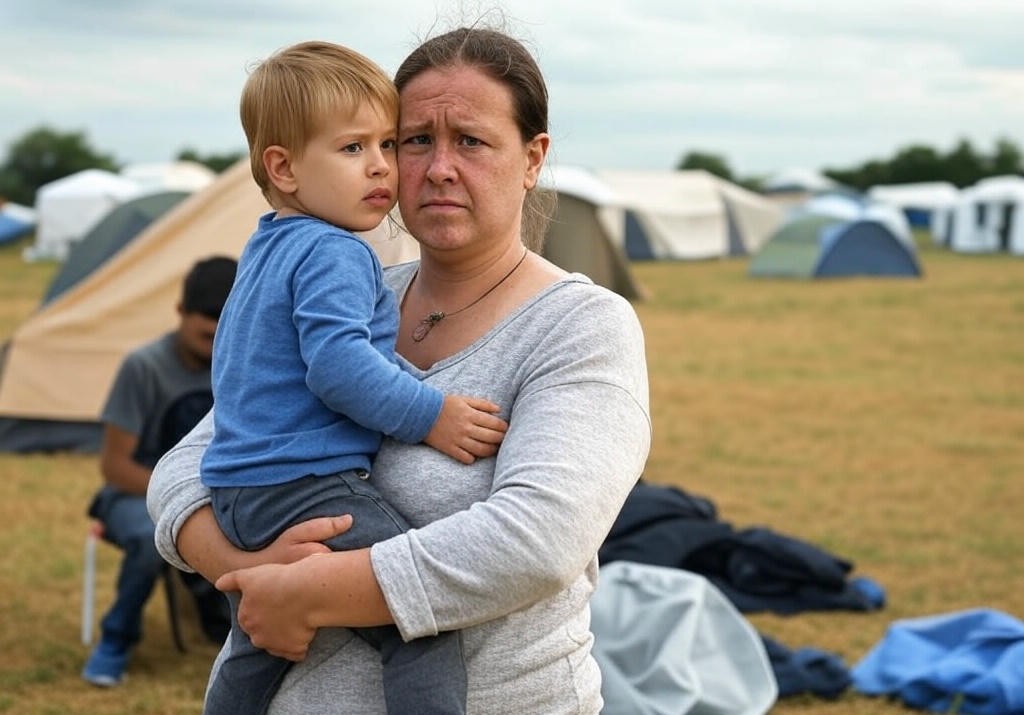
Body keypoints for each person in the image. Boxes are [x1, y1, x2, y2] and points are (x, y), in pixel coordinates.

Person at [149, 24, 651, 714]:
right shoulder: (352, 289)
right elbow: (186, 466)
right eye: (413, 139)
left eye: (470, 141)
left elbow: (537, 541)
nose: (436, 167)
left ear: (532, 158)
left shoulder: (579, 325)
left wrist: (311, 590)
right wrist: (249, 573)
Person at [199, 40, 507, 715]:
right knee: (419, 620)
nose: (382, 167)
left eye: (389, 145)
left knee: (264, 639)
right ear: (282, 167)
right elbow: (339, 367)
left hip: (242, 489)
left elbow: (327, 357)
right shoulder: (336, 250)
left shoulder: (270, 244)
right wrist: (433, 413)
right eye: (352, 149)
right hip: (306, 485)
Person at [82, 255, 237, 687]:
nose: (212, 347)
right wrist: (182, 498)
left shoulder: (240, 362)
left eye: (219, 335)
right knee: (154, 539)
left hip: (219, 493)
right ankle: (115, 640)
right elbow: (114, 467)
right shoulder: (143, 367)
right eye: (204, 334)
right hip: (134, 495)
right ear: (180, 313)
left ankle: (230, 629)